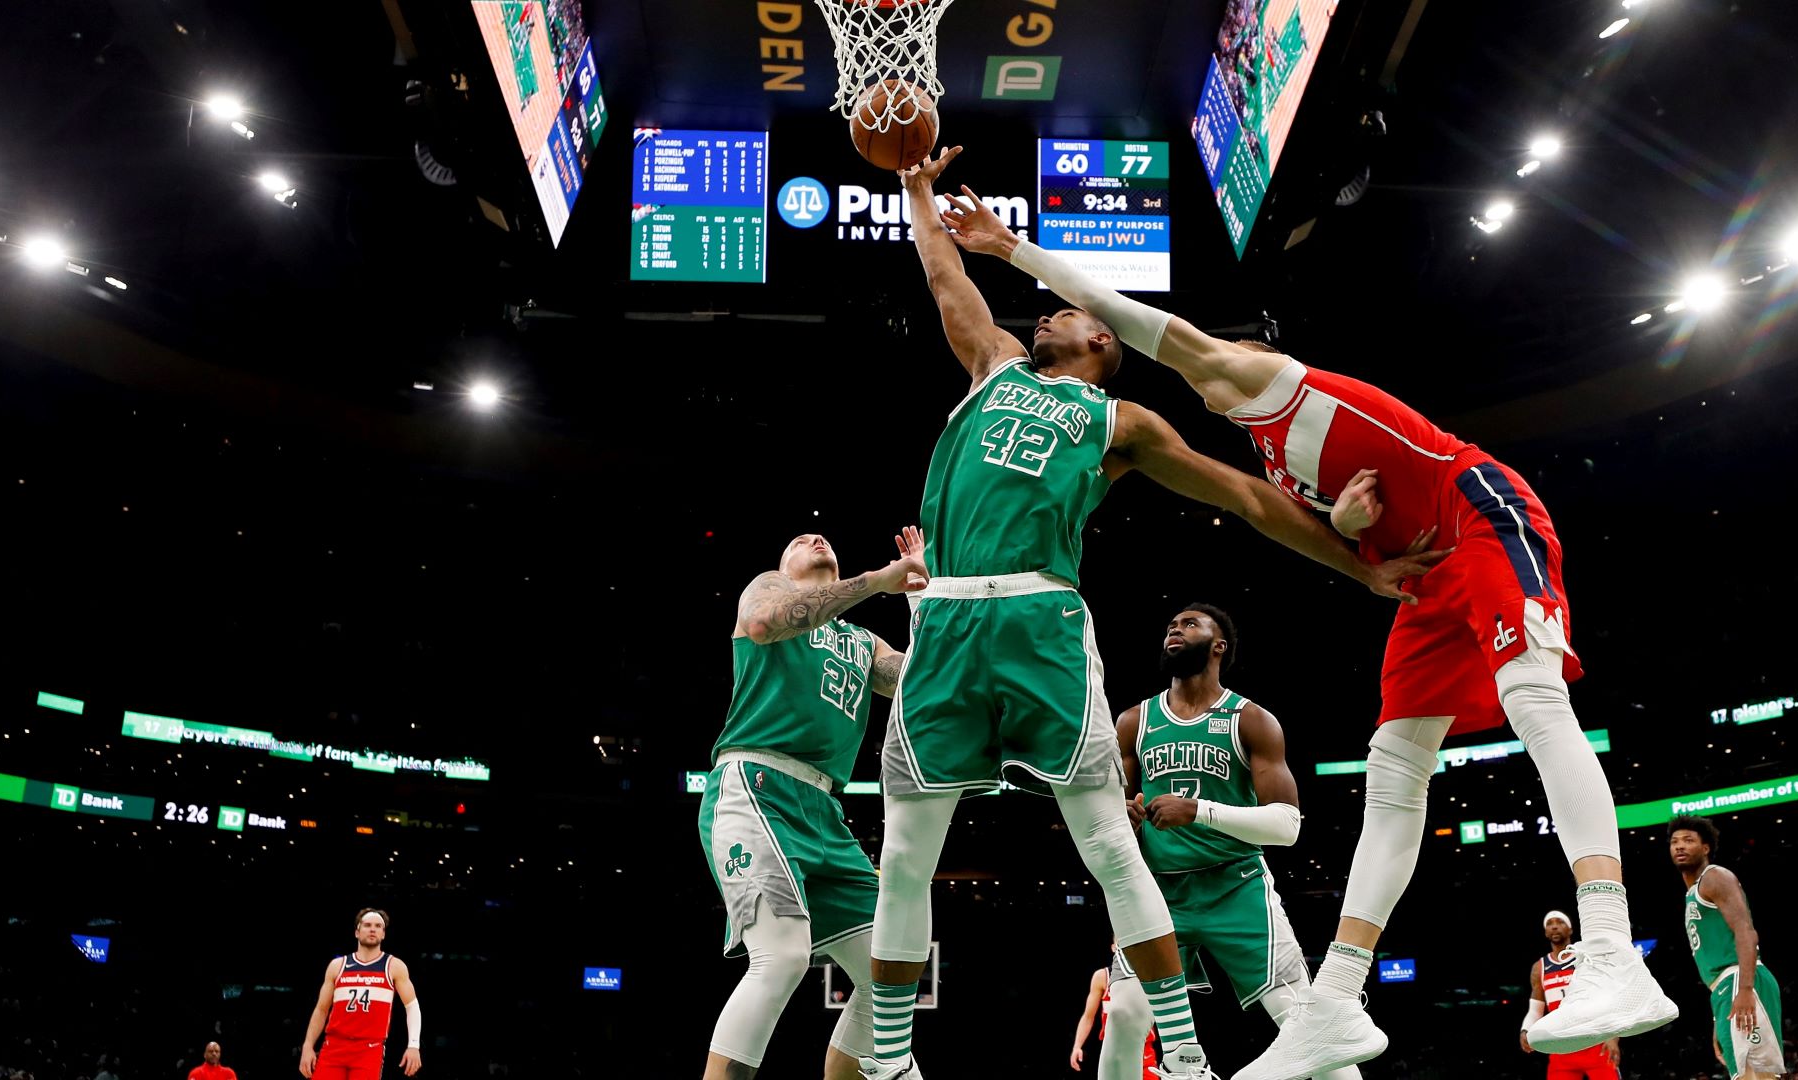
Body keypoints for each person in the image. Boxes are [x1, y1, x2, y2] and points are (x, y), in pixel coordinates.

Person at [936, 178, 1677, 1078]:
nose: (1204, 367)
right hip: (1428, 577)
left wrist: (1012, 249)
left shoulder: (1262, 381)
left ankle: (1609, 944)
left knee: (1534, 698)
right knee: (1395, 766)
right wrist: (1358, 540)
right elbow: (1296, 513)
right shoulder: (1277, 461)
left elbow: (1130, 317)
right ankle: (1335, 1001)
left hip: (1483, 515)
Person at [859, 148, 1442, 1080]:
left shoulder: (1121, 422)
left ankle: (1195, 1062)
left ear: (1101, 348)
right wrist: (914, 187)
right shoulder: (992, 365)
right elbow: (941, 273)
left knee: (1106, 843)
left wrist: (1359, 569)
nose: (1049, 311)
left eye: (1072, 313)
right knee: (904, 854)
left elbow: (1247, 497)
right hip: (946, 621)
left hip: (1037, 619)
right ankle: (892, 1061)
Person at [701, 529, 929, 1080]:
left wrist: (921, 594)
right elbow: (762, 623)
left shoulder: (862, 641)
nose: (815, 537)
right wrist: (878, 581)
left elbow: (924, 683)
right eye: (801, 540)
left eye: (821, 537)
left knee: (894, 968)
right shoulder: (769, 587)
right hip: (756, 783)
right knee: (781, 958)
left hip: (824, 809)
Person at [1114, 604, 1359, 1080]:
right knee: (1124, 1015)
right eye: (1171, 625)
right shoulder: (1133, 721)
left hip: (1237, 885)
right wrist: (1124, 814)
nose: (1175, 629)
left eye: (1190, 624)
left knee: (1304, 1025)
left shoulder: (1251, 720)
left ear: (1219, 645)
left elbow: (1287, 826)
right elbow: (1116, 812)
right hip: (1159, 893)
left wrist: (1197, 811)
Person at [1671, 814, 1786, 1080]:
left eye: (1689, 840)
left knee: (1753, 1075)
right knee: (1754, 1075)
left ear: (1706, 848)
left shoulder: (1715, 877)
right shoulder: (1693, 892)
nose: (1680, 846)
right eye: (1675, 841)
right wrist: (1717, 1019)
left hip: (1740, 980)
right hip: (1726, 988)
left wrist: (1744, 989)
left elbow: (1746, 932)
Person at [298, 909, 421, 1079]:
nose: (373, 929)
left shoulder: (394, 966)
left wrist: (414, 1045)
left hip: (369, 1049)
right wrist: (308, 1045)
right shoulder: (337, 965)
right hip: (333, 1047)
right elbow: (321, 1010)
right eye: (367, 925)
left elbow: (412, 1007)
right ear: (357, 932)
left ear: (383, 934)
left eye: (378, 926)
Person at [1520, 912, 1620, 1079]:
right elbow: (1535, 1010)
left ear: (1570, 929)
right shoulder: (1540, 968)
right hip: (1561, 1046)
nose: (1554, 926)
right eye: (1549, 923)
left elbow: (1606, 999)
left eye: (1560, 922)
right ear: (1545, 932)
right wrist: (1525, 1029)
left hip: (1594, 1041)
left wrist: (1613, 1037)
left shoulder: (1586, 959)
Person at [1069, 940, 1157, 1078]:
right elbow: (1088, 1016)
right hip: (1114, 1045)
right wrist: (1077, 1046)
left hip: (1144, 1048)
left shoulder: (1148, 974)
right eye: (1121, 941)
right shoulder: (1102, 976)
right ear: (1113, 947)